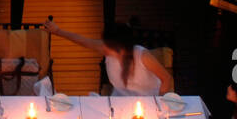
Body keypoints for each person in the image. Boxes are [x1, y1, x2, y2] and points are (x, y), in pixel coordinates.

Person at [43, 20, 172, 95]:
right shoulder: (108, 50)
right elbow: (84, 41)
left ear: (119, 48)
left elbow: (166, 78)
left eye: (107, 44)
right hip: (121, 103)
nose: (103, 46)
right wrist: (58, 31)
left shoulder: (143, 56)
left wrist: (159, 102)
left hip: (149, 102)